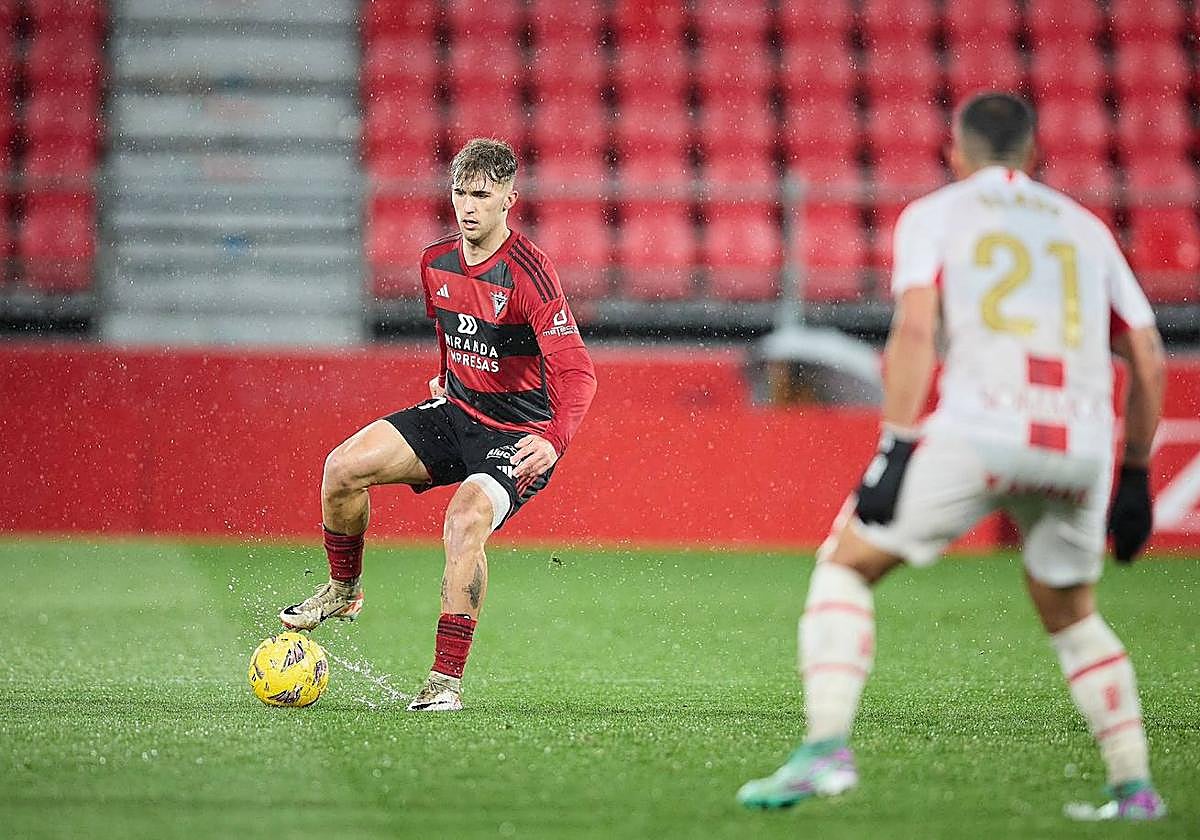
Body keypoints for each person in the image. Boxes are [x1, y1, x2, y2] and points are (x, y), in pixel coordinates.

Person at [737, 93, 1167, 820]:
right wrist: (1133, 474)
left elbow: (913, 331)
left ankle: (826, 753)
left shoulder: (937, 214)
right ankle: (1134, 788)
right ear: (1034, 157)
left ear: (955, 156)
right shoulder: (1088, 229)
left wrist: (897, 448)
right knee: (1071, 613)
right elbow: (1149, 359)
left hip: (982, 425)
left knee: (847, 565)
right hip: (1082, 441)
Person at [280, 138, 597, 711]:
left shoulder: (530, 275)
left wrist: (554, 439)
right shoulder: (436, 262)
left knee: (463, 519)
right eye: (459, 193)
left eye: (482, 194)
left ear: (509, 200)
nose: (468, 206)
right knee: (342, 468)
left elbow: (577, 373)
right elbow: (453, 334)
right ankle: (344, 590)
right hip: (456, 414)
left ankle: (444, 681)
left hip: (516, 437)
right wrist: (445, 378)